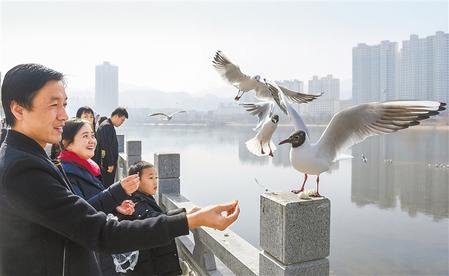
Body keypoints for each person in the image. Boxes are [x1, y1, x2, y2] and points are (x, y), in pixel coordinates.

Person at [0, 63, 240, 276]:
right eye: (54, 105)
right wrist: (191, 220)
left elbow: (74, 216)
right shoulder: (23, 168)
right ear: (18, 109)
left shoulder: (24, 156)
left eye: (64, 104)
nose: (64, 115)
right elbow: (102, 232)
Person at [59, 118, 137, 276]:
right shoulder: (66, 173)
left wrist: (116, 206)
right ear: (67, 142)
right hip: (86, 253)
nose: (92, 141)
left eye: (92, 135)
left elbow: (95, 203)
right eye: (85, 136)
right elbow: (81, 213)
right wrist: (117, 192)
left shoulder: (87, 167)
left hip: (98, 245)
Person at [125, 161, 199, 276]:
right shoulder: (135, 204)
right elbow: (154, 220)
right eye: (150, 178)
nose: (155, 181)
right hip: (153, 269)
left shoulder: (143, 197)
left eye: (156, 177)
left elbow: (158, 217)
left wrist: (184, 213)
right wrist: (186, 217)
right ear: (136, 181)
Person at [94, 107, 128, 188]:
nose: (122, 123)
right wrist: (110, 163)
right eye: (122, 120)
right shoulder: (107, 126)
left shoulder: (107, 124)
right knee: (106, 186)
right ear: (116, 116)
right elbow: (106, 146)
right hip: (106, 165)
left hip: (104, 164)